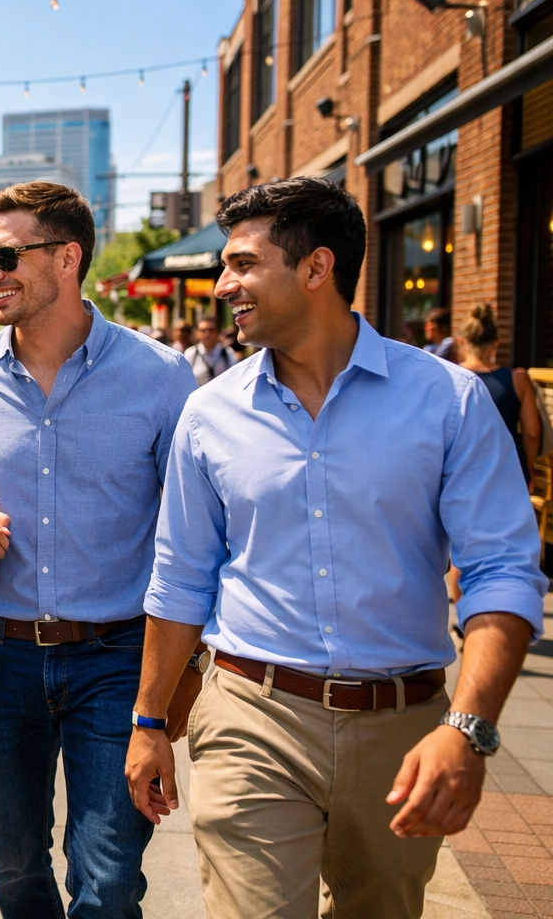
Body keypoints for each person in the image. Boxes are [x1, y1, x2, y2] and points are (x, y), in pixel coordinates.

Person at [127, 178, 546, 919]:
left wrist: (468, 731)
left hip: (405, 727)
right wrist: (151, 721)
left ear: (317, 269)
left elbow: (502, 575)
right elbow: (180, 577)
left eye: (244, 265)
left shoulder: (448, 402)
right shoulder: (208, 416)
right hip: (252, 717)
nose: (225, 285)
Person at [0, 181, 198, 918]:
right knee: (14, 867)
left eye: (8, 255)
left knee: (108, 882)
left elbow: (192, 525)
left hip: (118, 661)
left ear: (68, 258)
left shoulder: (162, 377)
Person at [456, 302, 541, 484]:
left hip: (461, 471)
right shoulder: (518, 378)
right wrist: (527, 466)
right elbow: (532, 433)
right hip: (509, 469)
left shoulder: (449, 378)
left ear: (461, 341)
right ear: (496, 342)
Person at [183, 317, 237, 386]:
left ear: (218, 332)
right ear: (197, 333)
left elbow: (234, 378)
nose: (207, 334)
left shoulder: (228, 353)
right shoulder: (190, 354)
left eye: (211, 330)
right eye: (203, 330)